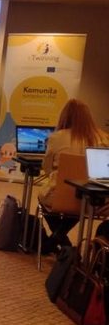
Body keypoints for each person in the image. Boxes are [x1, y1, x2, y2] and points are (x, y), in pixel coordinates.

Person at [39, 98, 109, 246]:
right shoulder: (103, 138)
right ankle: (60, 240)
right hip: (94, 201)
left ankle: (58, 242)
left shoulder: (56, 137)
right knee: (79, 205)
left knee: (42, 198)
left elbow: (47, 168)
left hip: (59, 197)